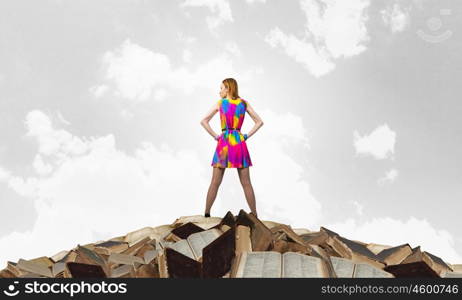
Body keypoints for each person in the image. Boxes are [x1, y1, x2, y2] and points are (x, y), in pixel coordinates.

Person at [200, 78, 264, 218]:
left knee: (215, 182)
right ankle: (255, 214)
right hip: (238, 143)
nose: (220, 91)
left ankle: (206, 214)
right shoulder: (243, 103)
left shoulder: (221, 103)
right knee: (246, 183)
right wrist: (245, 136)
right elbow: (259, 122)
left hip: (224, 144)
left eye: (221, 88)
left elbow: (203, 121)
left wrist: (216, 136)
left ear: (228, 88)